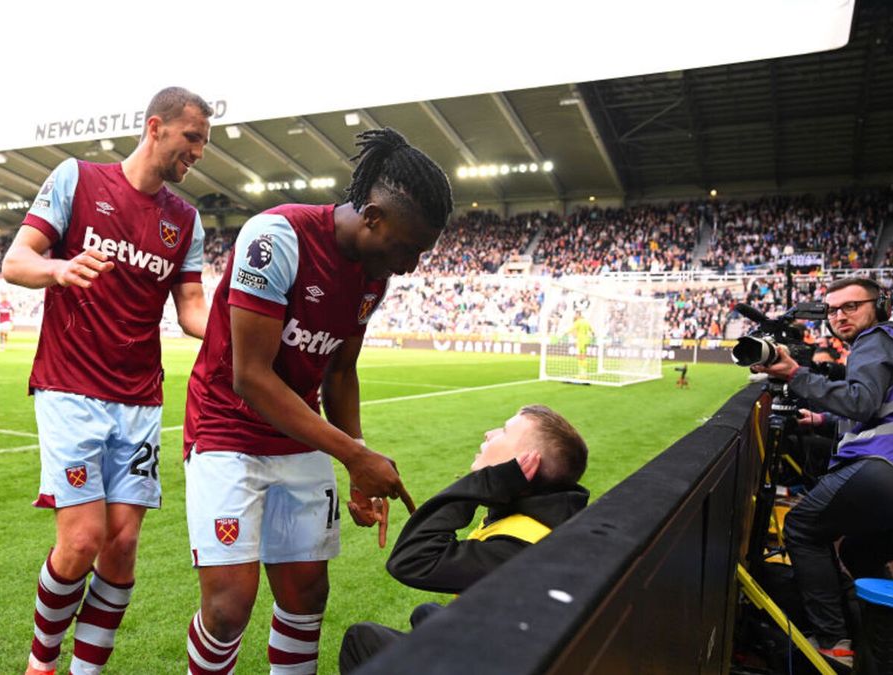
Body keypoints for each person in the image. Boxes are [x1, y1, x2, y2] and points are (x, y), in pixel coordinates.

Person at [182, 127, 453, 675]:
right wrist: (353, 457)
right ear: (373, 216)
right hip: (227, 432)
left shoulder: (371, 276)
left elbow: (341, 371)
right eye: (407, 249)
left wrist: (355, 450)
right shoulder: (276, 238)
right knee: (229, 607)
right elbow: (251, 378)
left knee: (307, 596)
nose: (410, 267)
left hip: (299, 436)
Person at [1, 86, 212, 675]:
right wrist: (59, 268)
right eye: (192, 138)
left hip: (140, 400)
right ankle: (42, 662)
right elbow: (16, 261)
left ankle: (84, 671)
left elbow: (191, 307)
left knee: (122, 547)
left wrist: (237, 328)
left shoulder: (184, 219)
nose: (197, 153)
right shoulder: (77, 179)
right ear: (156, 128)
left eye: (203, 144)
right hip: (70, 388)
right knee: (82, 540)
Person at [751, 277, 893, 667]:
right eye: (832, 310)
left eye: (851, 306)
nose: (840, 316)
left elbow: (861, 402)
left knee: (802, 527)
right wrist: (823, 419)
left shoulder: (876, 338)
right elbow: (889, 407)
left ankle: (834, 641)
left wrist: (796, 374)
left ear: (880, 306)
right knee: (860, 553)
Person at [338, 404, 590, 673]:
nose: (488, 434)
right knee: (426, 613)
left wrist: (483, 484)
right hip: (510, 646)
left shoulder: (517, 548)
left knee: (361, 639)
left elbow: (410, 560)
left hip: (502, 662)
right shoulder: (546, 517)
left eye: (504, 431)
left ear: (523, 465)